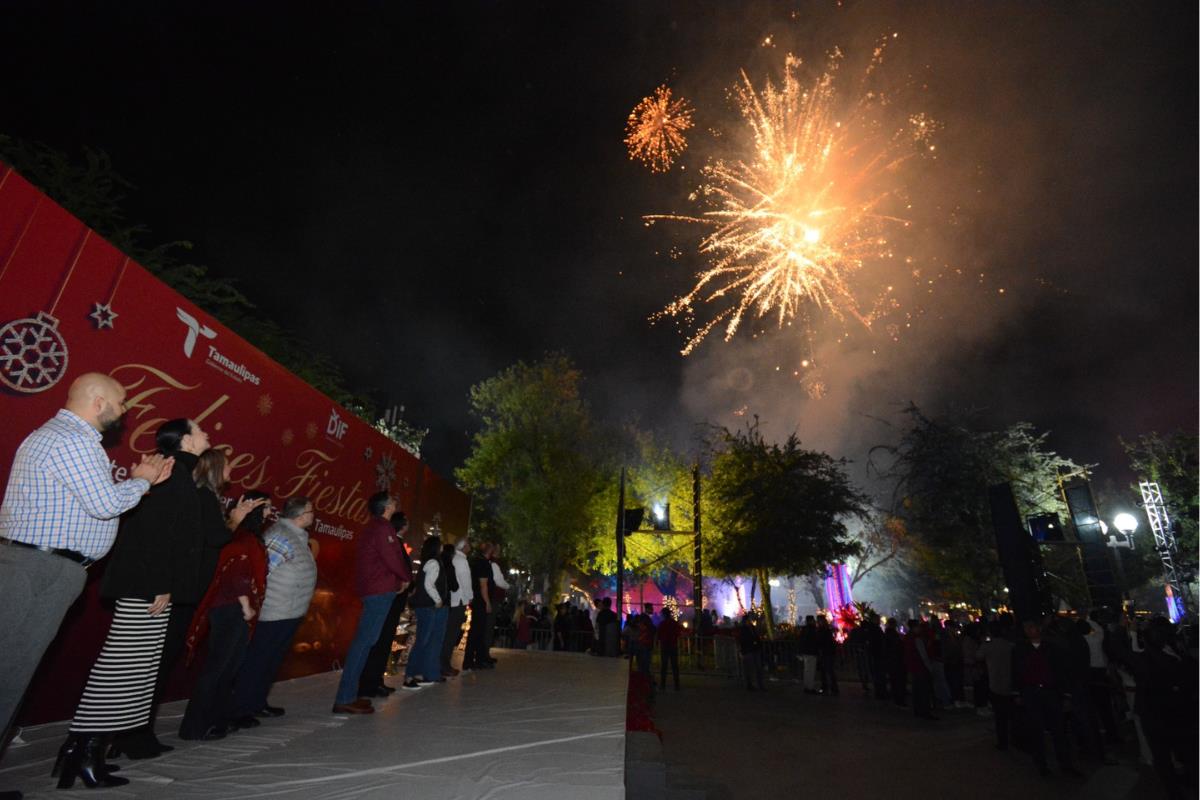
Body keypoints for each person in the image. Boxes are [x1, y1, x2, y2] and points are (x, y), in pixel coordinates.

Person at [0, 374, 171, 790]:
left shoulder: (68, 439)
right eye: (122, 399)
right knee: (7, 673)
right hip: (37, 569)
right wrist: (143, 480)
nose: (127, 406)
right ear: (98, 401)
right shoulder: (71, 440)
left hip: (42, 567)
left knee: (11, 674)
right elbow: (105, 504)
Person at [60, 419, 249, 785]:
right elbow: (153, 532)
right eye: (201, 431)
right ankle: (82, 752)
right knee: (121, 670)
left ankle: (82, 752)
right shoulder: (170, 470)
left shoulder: (181, 474)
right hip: (148, 586)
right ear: (185, 440)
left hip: (154, 585)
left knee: (133, 673)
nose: (208, 436)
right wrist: (163, 583)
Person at [178, 458, 268, 740]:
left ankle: (216, 718)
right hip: (230, 609)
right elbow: (236, 571)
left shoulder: (249, 536)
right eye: (265, 508)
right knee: (218, 667)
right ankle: (195, 726)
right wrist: (245, 605)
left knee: (228, 667)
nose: (268, 514)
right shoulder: (240, 537)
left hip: (237, 609)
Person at [230, 495, 317, 726]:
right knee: (259, 660)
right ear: (300, 516)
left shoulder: (296, 536)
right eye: (310, 512)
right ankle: (241, 708)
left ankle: (257, 702)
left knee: (271, 660)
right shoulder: (281, 536)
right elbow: (263, 574)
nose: (313, 516)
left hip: (289, 611)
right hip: (274, 611)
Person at [332, 492, 411, 714]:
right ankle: (346, 696)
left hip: (376, 589)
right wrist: (405, 577)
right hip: (379, 590)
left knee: (367, 640)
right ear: (386, 507)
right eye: (394, 501)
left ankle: (350, 694)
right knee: (364, 641)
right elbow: (392, 558)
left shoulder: (374, 528)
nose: (396, 502)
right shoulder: (382, 529)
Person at [1132, 616, 1197, 799]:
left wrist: (1130, 630)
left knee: (1164, 757)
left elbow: (1124, 653)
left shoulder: (1148, 660)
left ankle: (1177, 789)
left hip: (1158, 716)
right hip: (1178, 713)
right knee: (1185, 751)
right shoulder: (1179, 655)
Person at [358, 510, 415, 697]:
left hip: (393, 596)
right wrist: (406, 579)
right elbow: (395, 566)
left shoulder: (395, 542)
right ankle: (370, 682)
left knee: (384, 639)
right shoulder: (390, 541)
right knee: (378, 639)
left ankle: (375, 680)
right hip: (387, 595)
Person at [1014, 617, 1080, 778]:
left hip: (1050, 691)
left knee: (1058, 729)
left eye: (1031, 627)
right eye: (1026, 628)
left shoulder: (1052, 648)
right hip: (1032, 692)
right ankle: (1041, 764)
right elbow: (1016, 672)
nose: (1029, 631)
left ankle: (1065, 763)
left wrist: (1066, 694)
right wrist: (1017, 692)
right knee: (1036, 729)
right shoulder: (1020, 649)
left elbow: (1061, 672)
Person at [403, 536, 447, 690]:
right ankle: (409, 676)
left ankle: (417, 674)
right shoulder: (434, 562)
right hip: (427, 606)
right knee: (422, 641)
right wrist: (438, 599)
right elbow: (429, 584)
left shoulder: (429, 562)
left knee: (424, 641)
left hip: (425, 606)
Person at [978, 618, 1016, 749]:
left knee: (1000, 716)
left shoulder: (988, 646)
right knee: (1011, 714)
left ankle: (1003, 741)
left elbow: (978, 656)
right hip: (1009, 682)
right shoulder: (1010, 645)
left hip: (995, 683)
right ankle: (1015, 738)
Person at [440, 539, 472, 674]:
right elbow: (465, 582)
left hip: (449, 600)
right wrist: (469, 597)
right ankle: (444, 663)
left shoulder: (452, 558)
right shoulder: (461, 560)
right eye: (469, 544)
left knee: (447, 632)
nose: (470, 547)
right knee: (451, 634)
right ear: (464, 547)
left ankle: (442, 662)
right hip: (458, 600)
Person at [461, 541, 491, 671]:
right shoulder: (483, 564)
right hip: (480, 601)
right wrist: (487, 602)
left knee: (476, 630)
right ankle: (472, 660)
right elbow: (483, 585)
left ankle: (475, 659)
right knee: (477, 631)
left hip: (476, 599)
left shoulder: (475, 562)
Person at [906, 620, 936, 720]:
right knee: (923, 691)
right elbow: (923, 655)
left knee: (917, 690)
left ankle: (918, 710)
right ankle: (925, 711)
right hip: (921, 668)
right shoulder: (916, 638)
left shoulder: (907, 637)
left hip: (913, 667)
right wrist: (930, 668)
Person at [738, 613, 765, 691]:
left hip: (754, 649)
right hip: (748, 650)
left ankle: (757, 684)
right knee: (749, 669)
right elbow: (743, 641)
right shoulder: (744, 630)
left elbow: (756, 637)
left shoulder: (752, 628)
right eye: (749, 620)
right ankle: (750, 685)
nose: (750, 621)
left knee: (757, 668)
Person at [657, 607, 682, 691]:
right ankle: (677, 685)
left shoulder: (662, 624)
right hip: (673, 646)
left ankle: (663, 685)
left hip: (665, 646)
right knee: (675, 666)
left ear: (664, 614)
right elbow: (678, 632)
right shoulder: (674, 623)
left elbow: (659, 635)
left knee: (664, 666)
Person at [884, 617, 907, 706]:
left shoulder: (888, 634)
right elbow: (897, 646)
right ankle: (899, 699)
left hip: (892, 661)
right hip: (896, 660)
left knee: (894, 680)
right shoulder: (892, 634)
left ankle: (897, 697)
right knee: (898, 681)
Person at [816, 614, 839, 696]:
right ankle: (831, 687)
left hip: (826, 653)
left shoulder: (823, 630)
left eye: (818, 620)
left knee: (827, 670)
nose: (817, 622)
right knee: (827, 671)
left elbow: (823, 641)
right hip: (827, 652)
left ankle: (829, 687)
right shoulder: (826, 629)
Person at [799, 615, 819, 694]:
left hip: (806, 652)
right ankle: (810, 687)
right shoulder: (812, 629)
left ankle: (806, 686)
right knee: (811, 670)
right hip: (811, 652)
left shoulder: (804, 629)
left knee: (807, 670)